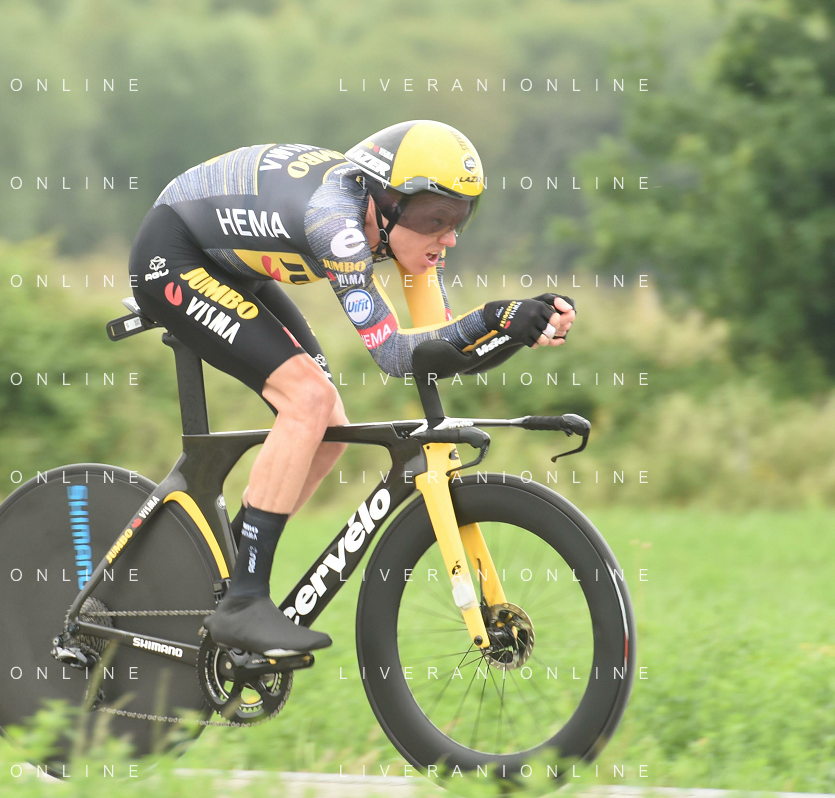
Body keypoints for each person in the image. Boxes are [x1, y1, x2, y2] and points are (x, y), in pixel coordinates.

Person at [127, 120, 575, 657]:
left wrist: (516, 328)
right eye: (436, 218)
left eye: (460, 218)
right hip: (175, 256)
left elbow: (436, 355)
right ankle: (243, 602)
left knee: (330, 430)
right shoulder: (335, 224)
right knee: (307, 400)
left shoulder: (404, 235)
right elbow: (395, 356)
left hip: (231, 266)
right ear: (385, 203)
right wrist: (494, 317)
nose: (450, 237)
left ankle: (221, 577)